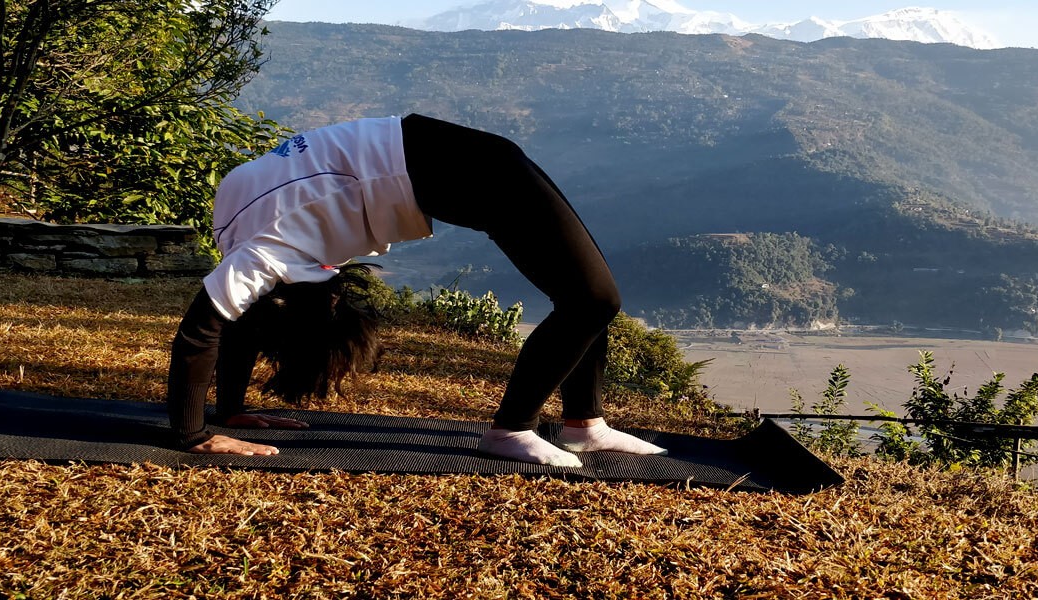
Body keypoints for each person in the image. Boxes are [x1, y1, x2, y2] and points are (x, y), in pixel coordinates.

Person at [167, 114, 667, 467]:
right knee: (588, 298)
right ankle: (565, 424)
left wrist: (194, 435)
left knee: (591, 300)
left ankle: (545, 427)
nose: (344, 295)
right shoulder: (243, 231)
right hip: (447, 152)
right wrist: (227, 409)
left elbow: (203, 329)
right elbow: (240, 317)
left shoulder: (266, 253)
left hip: (456, 168)